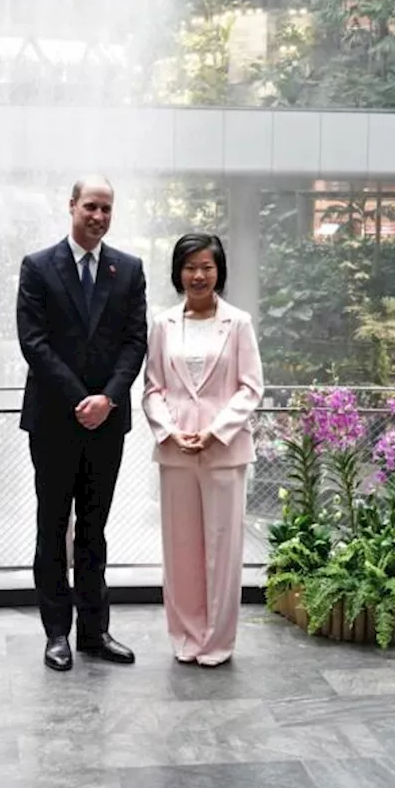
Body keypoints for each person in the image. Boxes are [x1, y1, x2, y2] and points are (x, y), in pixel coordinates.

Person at [16, 175, 148, 671]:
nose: (98, 216)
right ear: (71, 206)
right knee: (53, 528)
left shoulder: (129, 270)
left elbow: (136, 341)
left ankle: (95, 631)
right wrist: (81, 399)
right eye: (91, 206)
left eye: (107, 209)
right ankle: (57, 635)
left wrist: (109, 399)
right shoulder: (38, 267)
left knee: (95, 530)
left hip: (107, 424)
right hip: (55, 421)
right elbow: (34, 343)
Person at [141, 232, 264, 667]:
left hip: (224, 451)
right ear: (178, 272)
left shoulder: (239, 323)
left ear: (219, 272)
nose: (198, 275)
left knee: (223, 547)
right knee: (180, 549)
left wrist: (216, 430)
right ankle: (186, 637)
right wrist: (169, 431)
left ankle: (217, 642)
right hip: (176, 452)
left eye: (206, 267)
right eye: (190, 267)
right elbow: (153, 387)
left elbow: (251, 387)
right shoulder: (163, 324)